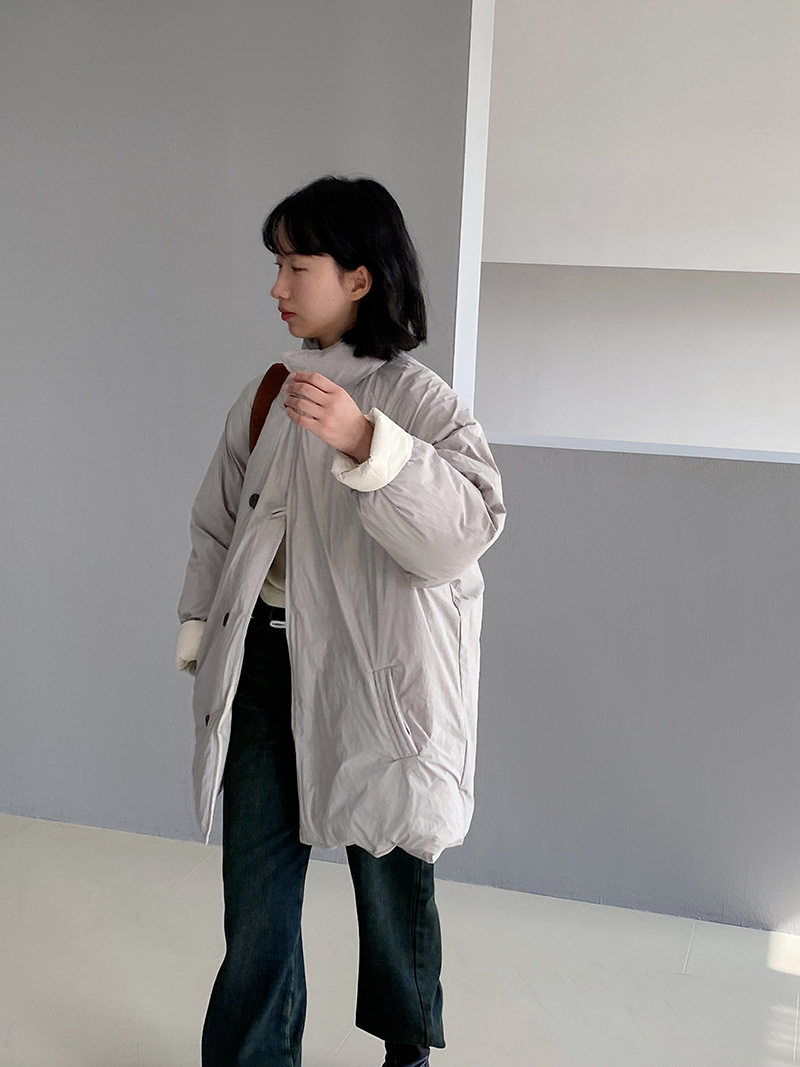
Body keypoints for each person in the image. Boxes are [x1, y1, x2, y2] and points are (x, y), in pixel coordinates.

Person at [175, 175, 505, 1067]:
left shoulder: (420, 399)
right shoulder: (270, 391)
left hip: (376, 674)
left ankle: (408, 1052)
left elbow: (466, 531)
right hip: (265, 664)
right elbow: (217, 519)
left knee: (393, 875)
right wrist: (202, 624)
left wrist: (372, 444)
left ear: (359, 277)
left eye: (297, 266)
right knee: (256, 889)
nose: (277, 287)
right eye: (277, 265)